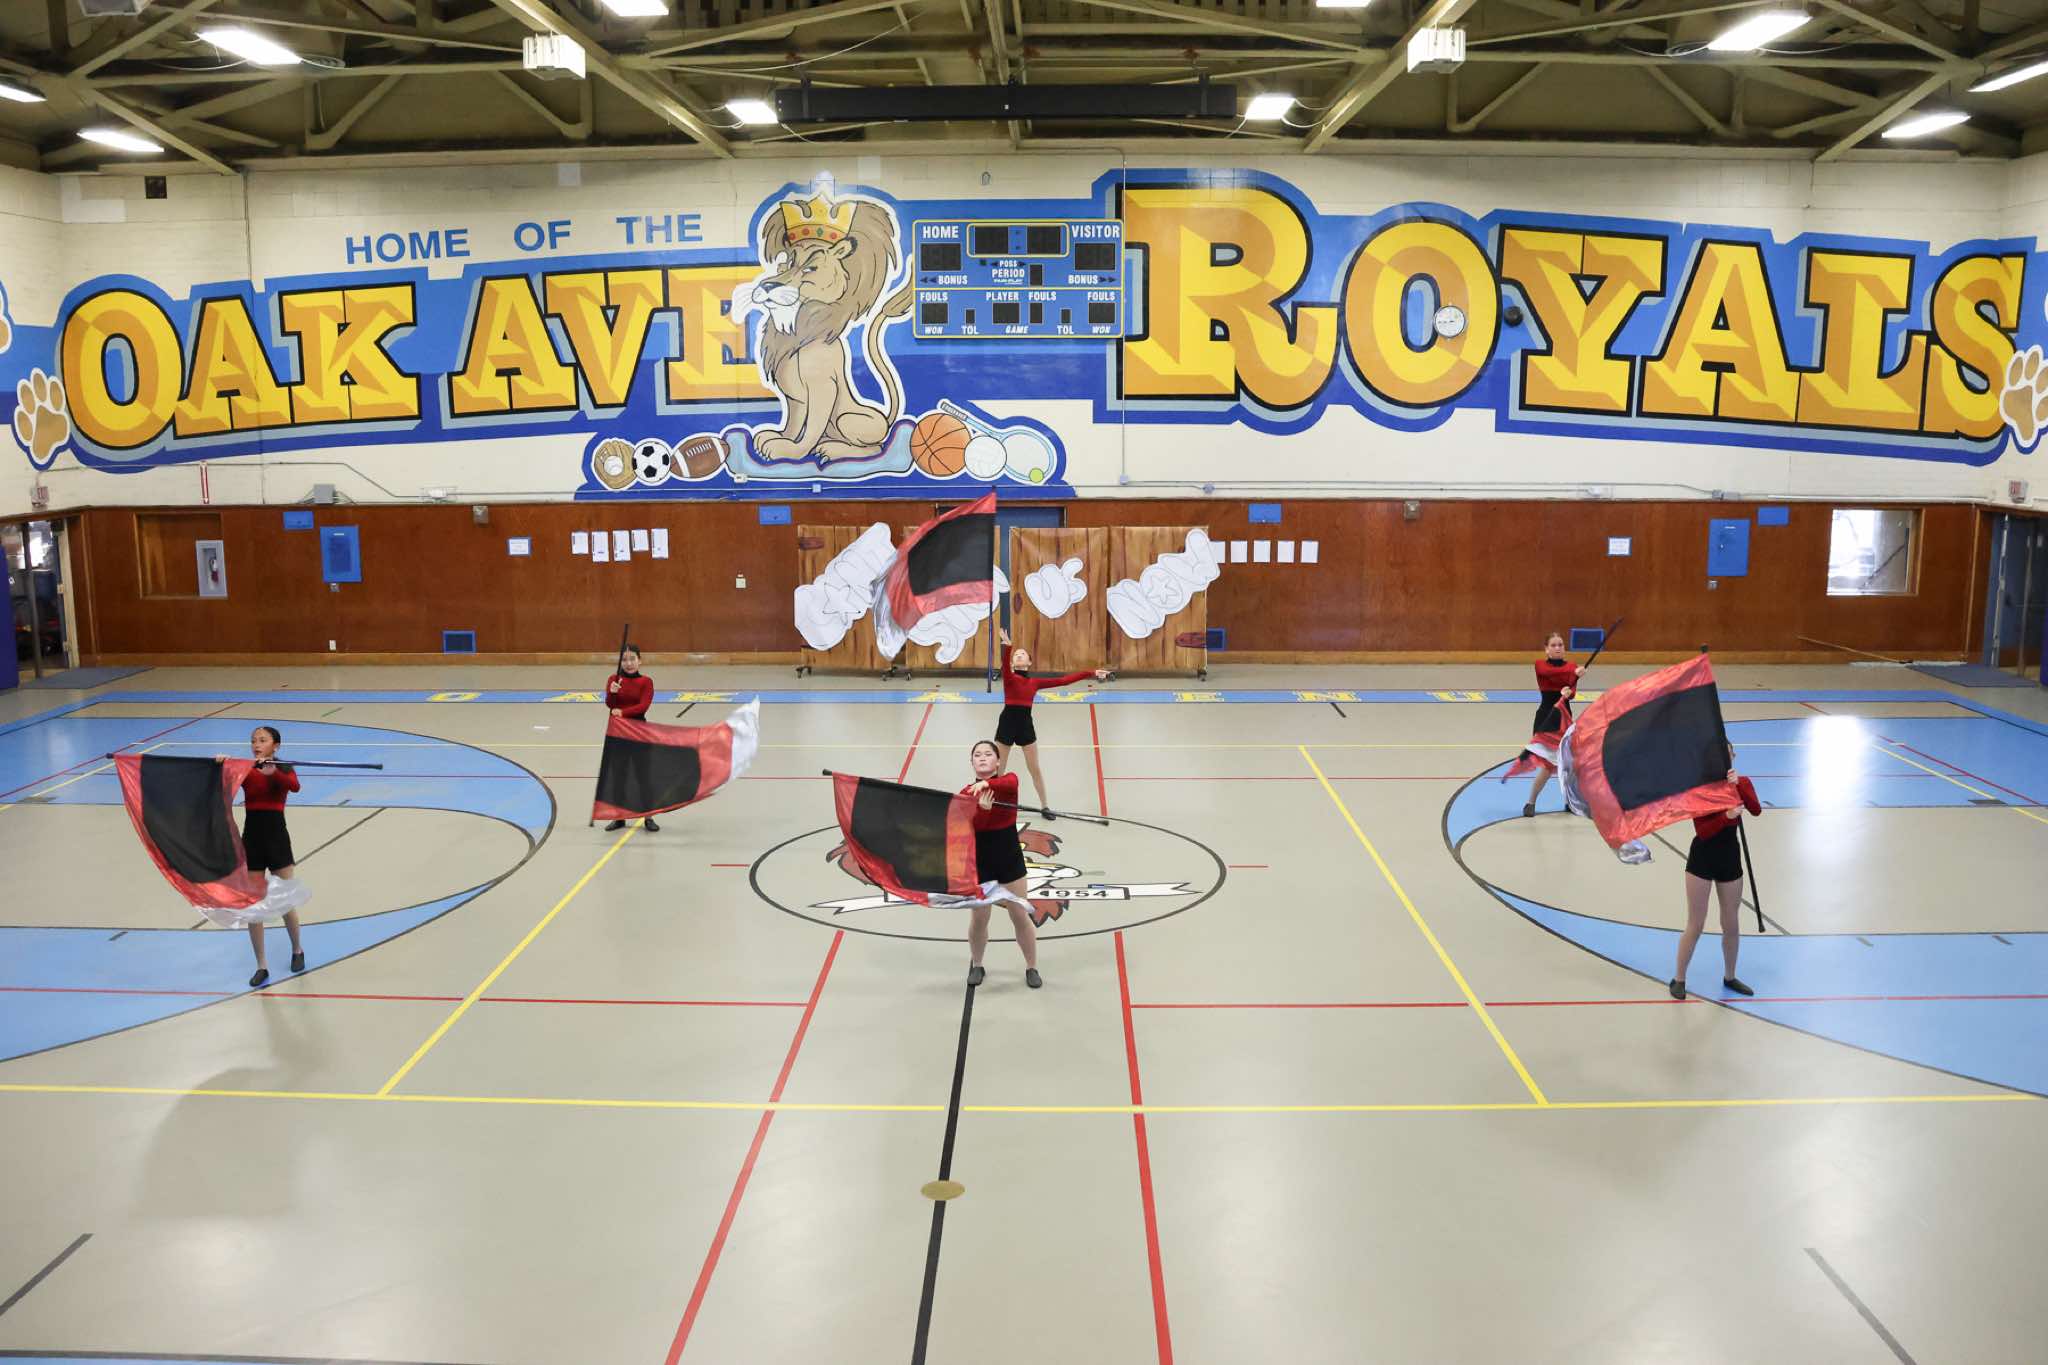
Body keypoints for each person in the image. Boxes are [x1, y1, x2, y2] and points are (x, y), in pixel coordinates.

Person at [213, 726, 311, 989]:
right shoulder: (246, 768)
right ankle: (261, 966)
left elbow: (295, 787)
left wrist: (273, 772)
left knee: (285, 899)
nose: (256, 744)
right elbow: (225, 786)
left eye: (262, 740)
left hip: (277, 839)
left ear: (275, 746)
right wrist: (223, 766)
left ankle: (297, 950)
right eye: (253, 740)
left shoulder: (284, 767)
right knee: (253, 905)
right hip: (252, 840)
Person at [1669, 747, 1762, 1000]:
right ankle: (1679, 978)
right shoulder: (1701, 789)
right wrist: (1727, 816)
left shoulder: (1741, 783)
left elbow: (1756, 809)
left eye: (1727, 753)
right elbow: (1703, 831)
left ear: (1733, 757)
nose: (1723, 758)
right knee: (1696, 923)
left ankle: (1730, 976)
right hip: (1702, 858)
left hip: (1730, 857)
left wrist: (1738, 787)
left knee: (1730, 923)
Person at [995, 628, 1109, 816]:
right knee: (999, 769)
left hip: (1025, 725)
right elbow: (1005, 668)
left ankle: (1045, 806)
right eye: (1016, 655)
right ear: (1013, 663)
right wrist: (1008, 647)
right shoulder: (1010, 678)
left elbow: (1064, 680)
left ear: (1029, 662)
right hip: (1006, 724)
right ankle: (994, 805)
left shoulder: (1034, 683)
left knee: (1034, 769)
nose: (1019, 655)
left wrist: (1092, 672)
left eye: (1022, 654)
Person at [963, 739, 1042, 989]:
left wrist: (986, 784)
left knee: (1019, 915)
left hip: (1009, 859)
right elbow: (972, 827)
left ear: (998, 761)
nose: (982, 757)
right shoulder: (966, 794)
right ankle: (977, 964)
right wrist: (983, 810)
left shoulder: (1008, 783)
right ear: (972, 762)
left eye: (988, 754)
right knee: (979, 918)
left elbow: (1011, 782)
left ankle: (1031, 967)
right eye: (977, 755)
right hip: (982, 862)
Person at [1505, 631, 1583, 818]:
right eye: (1553, 645)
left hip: (1564, 719)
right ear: (1546, 649)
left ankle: (1569, 802)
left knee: (1569, 764)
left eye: (1560, 645)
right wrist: (1573, 673)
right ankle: (1530, 802)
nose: (1558, 648)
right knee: (1548, 766)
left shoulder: (1571, 667)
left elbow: (1572, 693)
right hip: (1547, 720)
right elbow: (1549, 673)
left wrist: (1568, 691)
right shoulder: (1540, 665)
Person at [604, 643, 658, 833]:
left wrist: (623, 712)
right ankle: (619, 817)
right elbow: (610, 704)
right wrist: (612, 693)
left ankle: (648, 817)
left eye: (632, 659)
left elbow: (643, 706)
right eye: (625, 659)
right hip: (618, 733)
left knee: (643, 775)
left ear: (640, 661)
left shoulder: (646, 682)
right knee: (619, 775)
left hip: (639, 732)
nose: (628, 663)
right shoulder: (613, 679)